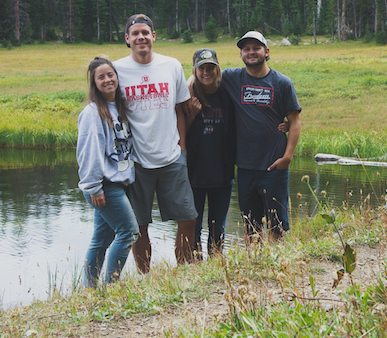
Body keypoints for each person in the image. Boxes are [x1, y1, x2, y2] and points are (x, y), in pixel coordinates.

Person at [114, 14, 198, 272]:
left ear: (153, 36)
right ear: (127, 39)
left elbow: (180, 111)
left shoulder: (171, 65)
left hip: (172, 157)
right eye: (135, 33)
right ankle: (144, 275)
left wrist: (182, 149)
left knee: (187, 217)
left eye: (146, 32)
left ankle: (183, 270)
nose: (141, 37)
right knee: (139, 224)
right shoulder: (117, 70)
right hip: (136, 161)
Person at [220, 31, 302, 241]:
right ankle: (256, 267)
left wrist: (287, 158)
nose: (251, 52)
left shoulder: (282, 83)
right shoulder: (232, 78)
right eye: (246, 49)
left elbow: (294, 122)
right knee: (251, 224)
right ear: (241, 55)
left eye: (256, 48)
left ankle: (278, 266)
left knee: (277, 225)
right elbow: (205, 75)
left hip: (274, 165)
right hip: (245, 167)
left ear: (266, 52)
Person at [76, 56, 139, 287]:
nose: (107, 80)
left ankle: (89, 289)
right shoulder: (93, 113)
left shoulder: (119, 107)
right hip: (104, 185)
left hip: (117, 182)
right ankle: (111, 287)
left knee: (102, 239)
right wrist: (94, 187)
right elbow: (88, 153)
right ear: (94, 83)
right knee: (128, 232)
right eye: (100, 77)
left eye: (110, 75)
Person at [184, 48, 236, 258]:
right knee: (193, 225)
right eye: (201, 68)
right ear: (195, 70)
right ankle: (195, 266)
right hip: (194, 171)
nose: (206, 72)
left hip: (222, 171)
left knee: (218, 226)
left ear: (217, 68)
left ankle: (215, 265)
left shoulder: (227, 91)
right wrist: (193, 114)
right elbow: (179, 131)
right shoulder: (187, 92)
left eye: (210, 67)